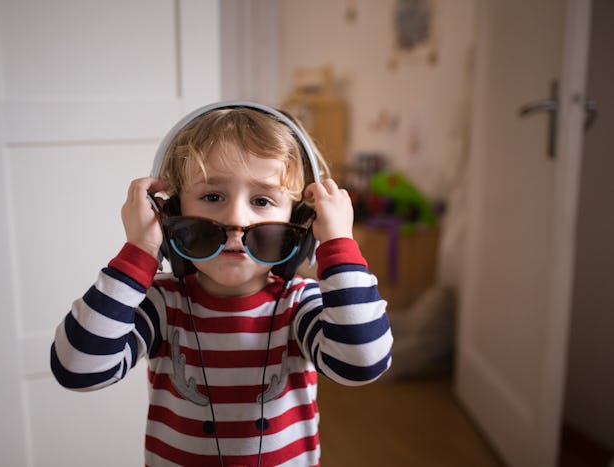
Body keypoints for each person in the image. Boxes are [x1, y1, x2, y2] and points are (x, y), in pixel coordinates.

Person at [50, 101, 393, 466]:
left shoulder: (300, 305)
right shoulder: (162, 306)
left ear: (302, 222)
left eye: (262, 199)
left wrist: (338, 242)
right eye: (212, 196)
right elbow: (77, 368)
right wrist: (139, 252)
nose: (235, 219)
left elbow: (362, 363)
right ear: (170, 214)